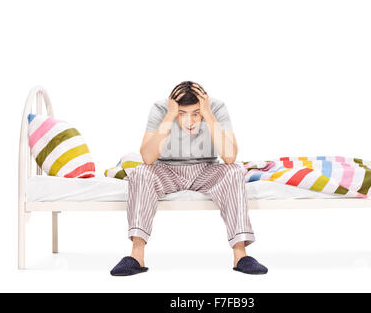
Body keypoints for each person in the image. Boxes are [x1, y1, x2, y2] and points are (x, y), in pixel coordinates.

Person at [110, 81, 268, 276]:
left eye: (196, 113)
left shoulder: (216, 108)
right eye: (182, 114)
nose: (190, 121)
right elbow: (148, 158)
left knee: (234, 171)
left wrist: (208, 114)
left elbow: (229, 157)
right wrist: (169, 115)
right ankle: (136, 256)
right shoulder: (161, 109)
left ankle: (241, 256)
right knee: (140, 172)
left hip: (206, 170)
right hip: (167, 169)